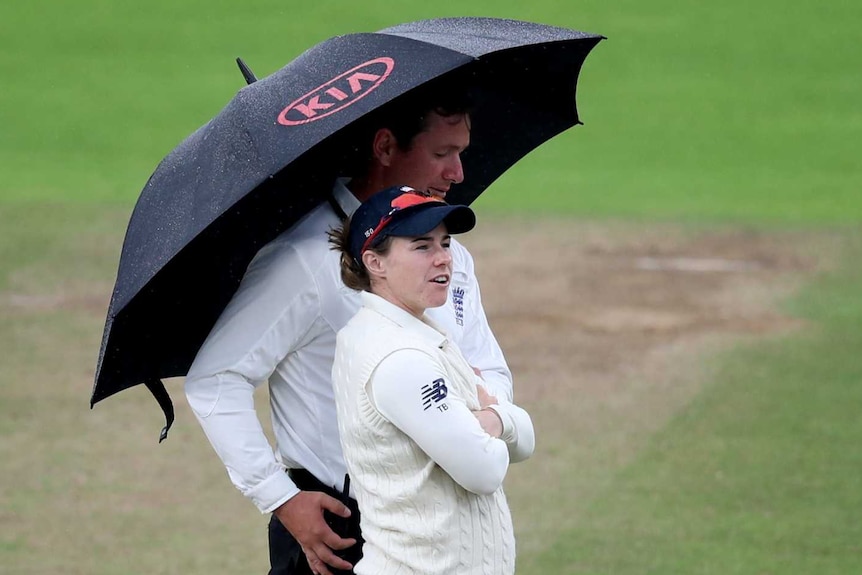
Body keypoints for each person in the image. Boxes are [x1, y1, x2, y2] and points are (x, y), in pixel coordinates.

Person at [184, 87, 514, 575]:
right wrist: (281, 498)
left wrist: (481, 425)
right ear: (384, 148)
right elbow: (215, 379)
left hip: (448, 523)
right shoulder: (303, 260)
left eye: (461, 153)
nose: (457, 173)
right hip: (342, 530)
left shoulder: (451, 255)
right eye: (442, 153)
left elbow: (486, 364)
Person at [329, 186, 535, 574]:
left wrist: (493, 419)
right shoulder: (401, 357)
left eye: (445, 243)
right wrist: (504, 417)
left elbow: (525, 439)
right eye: (422, 246)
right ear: (375, 262)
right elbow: (484, 470)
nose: (444, 259)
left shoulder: (411, 333)